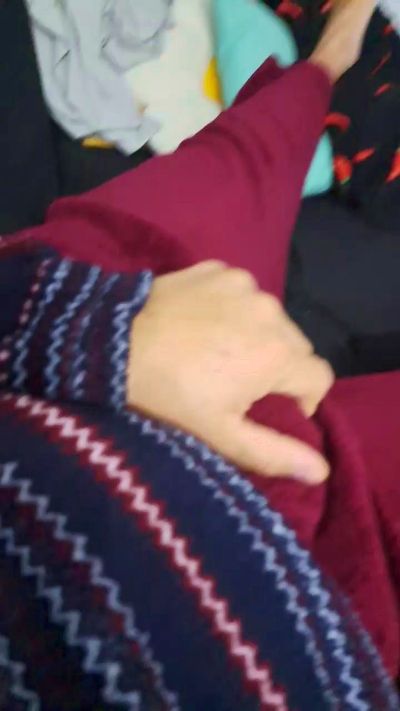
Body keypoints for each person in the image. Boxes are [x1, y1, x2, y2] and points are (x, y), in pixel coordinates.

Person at [0, 0, 398, 708]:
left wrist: (68, 329)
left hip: (68, 360)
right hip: (329, 586)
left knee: (227, 175)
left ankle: (324, 65)